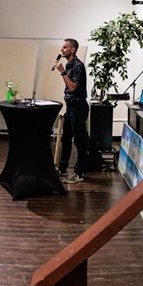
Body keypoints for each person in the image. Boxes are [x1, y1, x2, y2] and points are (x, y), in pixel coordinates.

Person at [55, 38, 90, 184]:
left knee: (79, 140)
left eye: (65, 47)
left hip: (79, 107)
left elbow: (73, 87)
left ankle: (79, 173)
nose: (62, 49)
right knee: (66, 138)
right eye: (62, 47)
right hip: (70, 107)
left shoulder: (78, 66)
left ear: (73, 50)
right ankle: (62, 168)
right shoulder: (69, 64)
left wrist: (63, 72)